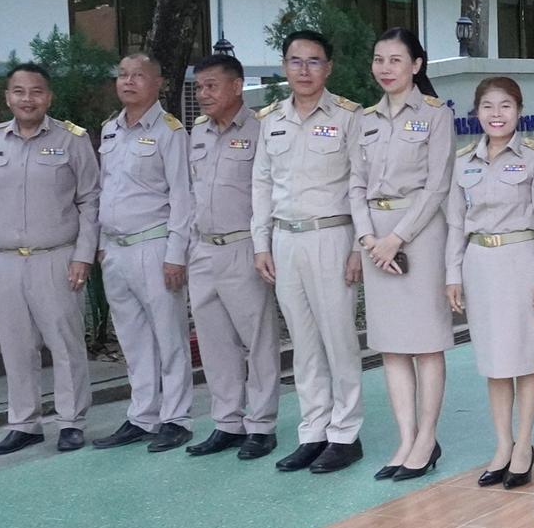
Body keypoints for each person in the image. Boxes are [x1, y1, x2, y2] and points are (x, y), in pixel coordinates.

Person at [0, 62, 100, 455]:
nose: (27, 99)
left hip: (56, 258)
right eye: (19, 92)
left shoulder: (72, 140)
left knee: (65, 343)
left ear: (48, 97)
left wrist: (83, 255)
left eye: (36, 91)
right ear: (7, 98)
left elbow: (91, 200)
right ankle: (25, 423)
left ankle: (71, 421)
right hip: (4, 262)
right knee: (15, 346)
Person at [252, 31, 366, 475]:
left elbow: (361, 184)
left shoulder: (348, 117)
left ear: (328, 68)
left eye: (314, 61)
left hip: (331, 237)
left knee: (338, 338)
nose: (304, 70)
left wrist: (359, 245)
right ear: (283, 66)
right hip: (286, 240)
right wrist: (261, 242)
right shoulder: (271, 120)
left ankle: (345, 433)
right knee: (302, 342)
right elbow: (261, 184)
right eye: (295, 61)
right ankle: (313, 430)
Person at [351, 28, 456, 482]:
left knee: (426, 344)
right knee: (392, 346)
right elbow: (353, 184)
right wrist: (367, 239)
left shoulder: (435, 115)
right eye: (379, 59)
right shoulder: (364, 119)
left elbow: (437, 185)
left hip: (419, 236)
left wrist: (398, 237)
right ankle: (406, 437)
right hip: (375, 239)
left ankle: (427, 438)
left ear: (416, 65)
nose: (386, 69)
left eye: (396, 60)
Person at [445, 77, 534, 489]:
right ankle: (502, 445)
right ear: (476, 113)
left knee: (524, 359)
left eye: (506, 106)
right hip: (479, 265)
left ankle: (525, 445)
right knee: (494, 363)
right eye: (488, 106)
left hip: (521, 263)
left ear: (519, 111)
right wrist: (452, 274)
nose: (497, 114)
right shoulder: (462, 162)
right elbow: (455, 223)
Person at [90, 53, 195, 453]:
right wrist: (101, 246)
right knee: (132, 339)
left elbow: (183, 197)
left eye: (138, 76)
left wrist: (176, 255)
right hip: (115, 250)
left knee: (169, 337)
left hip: (154, 246)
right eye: (122, 75)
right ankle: (142, 415)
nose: (128, 82)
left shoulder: (171, 132)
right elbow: (105, 191)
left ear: (158, 83)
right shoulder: (110, 131)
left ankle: (177, 418)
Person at [183, 54, 282, 461]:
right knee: (214, 342)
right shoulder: (198, 131)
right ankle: (227, 421)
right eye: (199, 87)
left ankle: (261, 424)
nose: (203, 95)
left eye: (212, 86)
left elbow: (272, 191)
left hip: (244, 247)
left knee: (257, 339)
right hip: (203, 248)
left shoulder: (262, 129)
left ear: (237, 86)